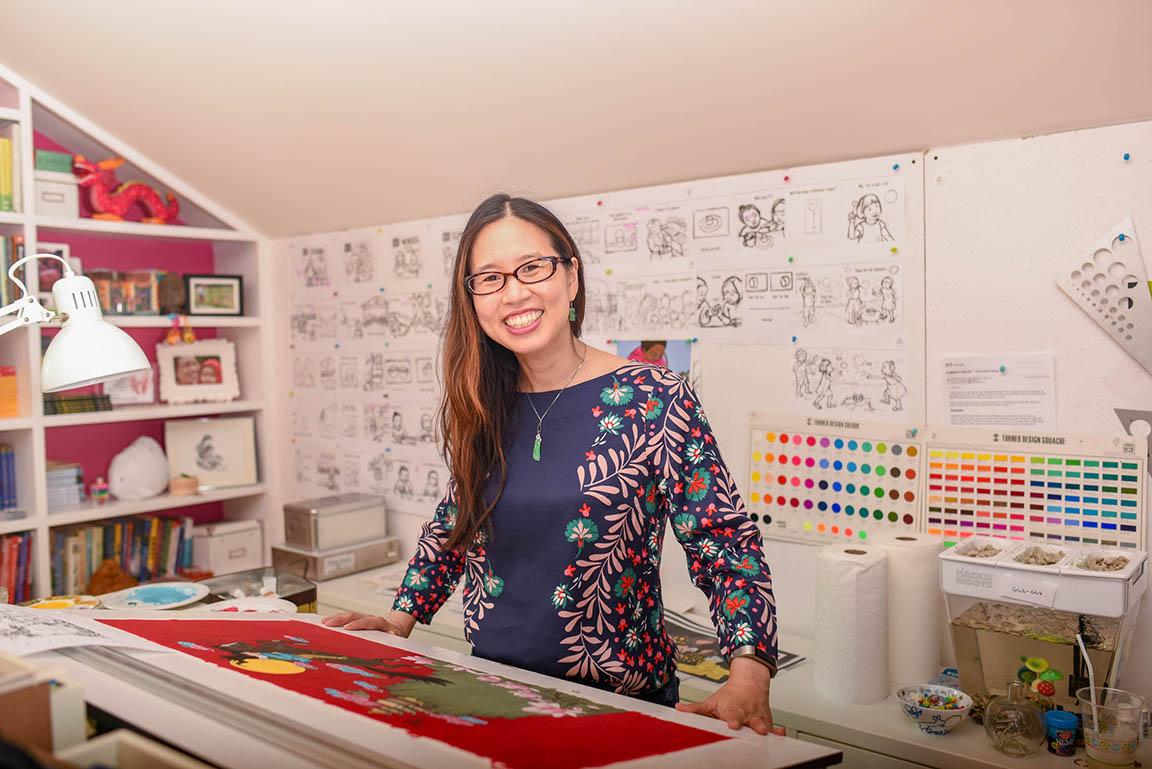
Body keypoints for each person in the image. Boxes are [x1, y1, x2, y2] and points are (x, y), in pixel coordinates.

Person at [325, 194, 777, 733]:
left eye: (532, 268)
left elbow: (722, 539)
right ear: (472, 300)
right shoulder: (483, 401)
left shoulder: (655, 396)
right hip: (494, 694)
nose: (514, 292)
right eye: (489, 278)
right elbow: (457, 522)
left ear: (572, 277)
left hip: (623, 707)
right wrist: (399, 619)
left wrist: (749, 671)